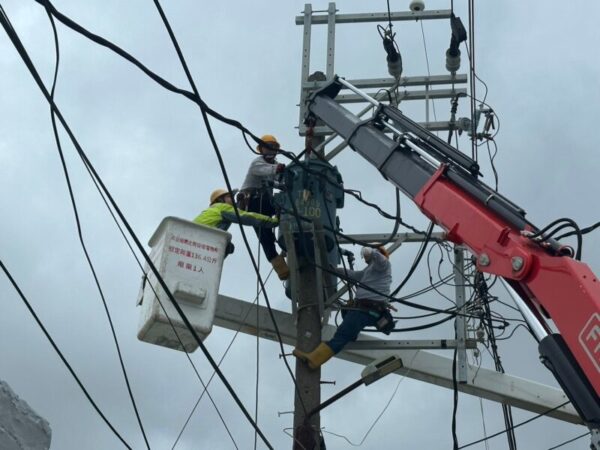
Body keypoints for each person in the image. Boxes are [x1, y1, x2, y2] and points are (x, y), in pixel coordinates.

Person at [293, 246, 393, 369]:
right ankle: (351, 334)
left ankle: (314, 360)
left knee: (341, 334)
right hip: (365, 309)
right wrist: (334, 270)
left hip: (368, 310)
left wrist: (371, 251)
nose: (366, 260)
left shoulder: (384, 266)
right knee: (346, 311)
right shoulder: (370, 271)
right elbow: (354, 275)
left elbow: (382, 260)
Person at [239, 134, 289, 280]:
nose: (271, 150)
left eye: (274, 147)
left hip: (266, 202)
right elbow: (269, 171)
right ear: (261, 150)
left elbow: (280, 180)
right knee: (265, 236)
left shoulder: (275, 163)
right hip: (253, 203)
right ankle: (280, 266)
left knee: (287, 208)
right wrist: (279, 169)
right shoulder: (257, 163)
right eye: (268, 147)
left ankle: (287, 246)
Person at [194, 188, 278, 255]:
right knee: (226, 246)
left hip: (193, 241)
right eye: (229, 197)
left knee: (228, 246)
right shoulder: (222, 207)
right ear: (220, 199)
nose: (233, 200)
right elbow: (246, 217)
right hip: (206, 241)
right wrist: (272, 221)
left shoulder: (211, 210)